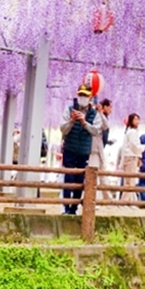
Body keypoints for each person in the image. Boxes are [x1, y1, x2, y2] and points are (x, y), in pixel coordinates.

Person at [60, 85, 103, 214]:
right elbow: (63, 129)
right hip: (70, 149)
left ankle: (74, 208)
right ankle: (66, 207)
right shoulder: (69, 110)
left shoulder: (94, 114)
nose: (82, 98)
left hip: (84, 151)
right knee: (68, 178)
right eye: (81, 95)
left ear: (90, 97)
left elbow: (96, 131)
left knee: (80, 180)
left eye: (85, 95)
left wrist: (84, 123)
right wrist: (72, 121)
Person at [117, 113, 145, 196]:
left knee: (129, 181)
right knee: (130, 182)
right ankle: (125, 202)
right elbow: (134, 146)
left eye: (138, 119)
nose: (137, 121)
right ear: (131, 121)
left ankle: (130, 201)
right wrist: (144, 147)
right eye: (135, 119)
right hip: (131, 157)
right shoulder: (132, 132)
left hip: (129, 157)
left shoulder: (129, 131)